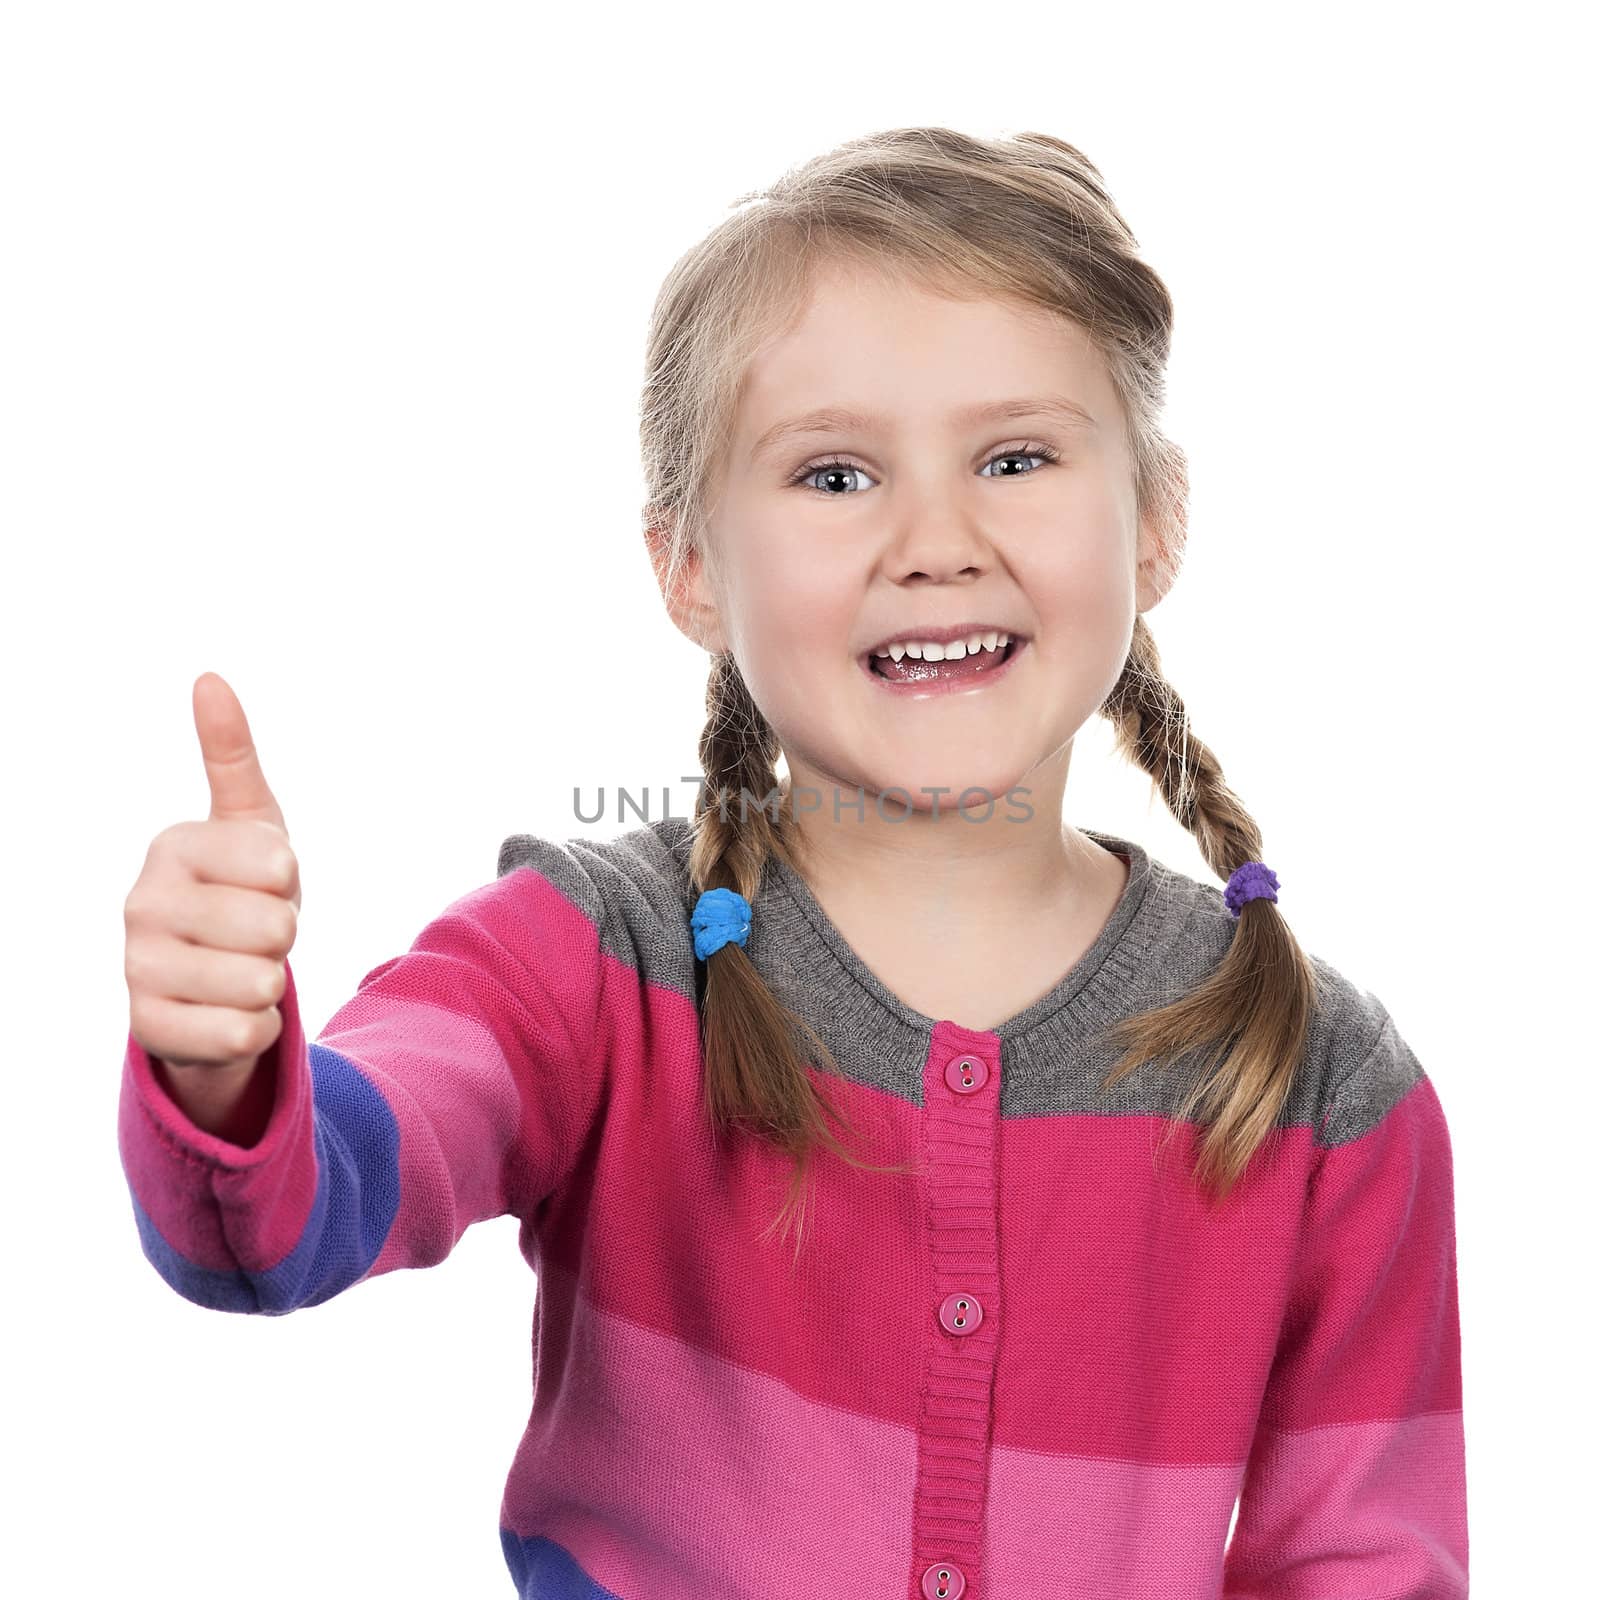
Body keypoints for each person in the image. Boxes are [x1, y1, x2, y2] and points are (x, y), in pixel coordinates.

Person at [118, 126, 1466, 1598]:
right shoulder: (590, 957)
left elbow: (1367, 1566)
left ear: (1155, 523)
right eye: (834, 475)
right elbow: (312, 1200)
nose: (935, 540)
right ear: (691, 566)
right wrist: (226, 1072)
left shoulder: (1325, 1083)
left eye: (1015, 457)